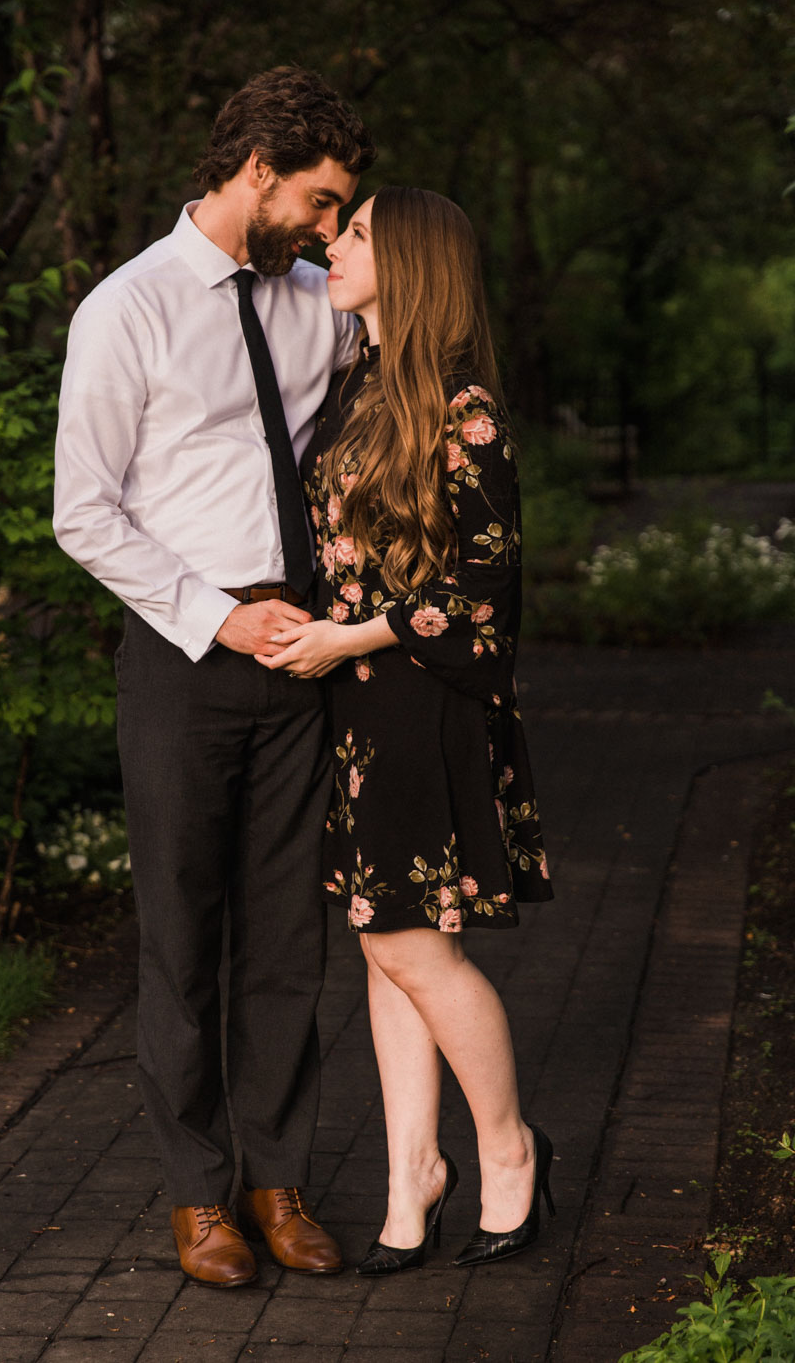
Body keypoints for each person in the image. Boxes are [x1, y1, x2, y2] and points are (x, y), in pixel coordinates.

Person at [53, 67, 376, 1287]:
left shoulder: (318, 303)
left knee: (289, 936)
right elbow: (81, 515)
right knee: (183, 936)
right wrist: (212, 619)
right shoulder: (124, 311)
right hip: (185, 655)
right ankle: (199, 1198)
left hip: (307, 655)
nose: (333, 225)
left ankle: (276, 1181)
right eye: (322, 199)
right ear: (257, 176)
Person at [258, 185, 555, 1274]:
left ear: (415, 261)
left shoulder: (462, 407)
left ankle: (510, 1152)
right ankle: (410, 1177)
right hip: (351, 709)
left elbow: (485, 591)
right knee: (382, 951)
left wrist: (352, 638)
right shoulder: (353, 389)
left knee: (406, 943)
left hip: (423, 702)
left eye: (358, 234)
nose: (332, 246)